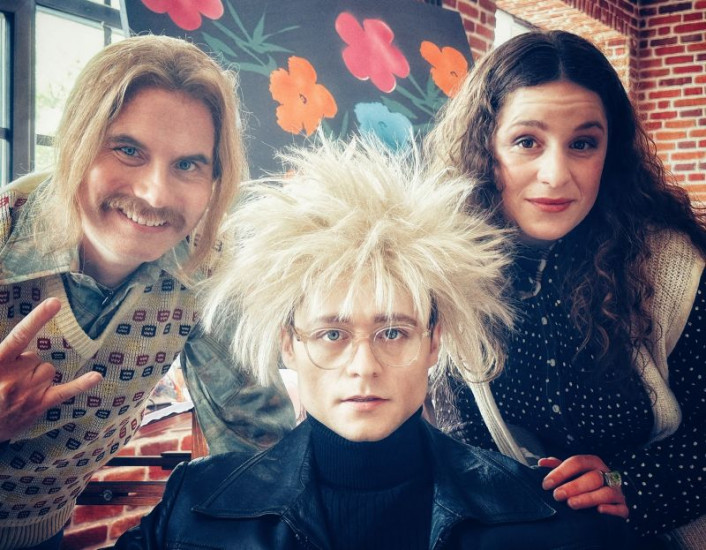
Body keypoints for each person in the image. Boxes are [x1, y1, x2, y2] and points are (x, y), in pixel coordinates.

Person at [114, 136, 629, 550]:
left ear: (434, 342)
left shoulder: (541, 517)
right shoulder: (193, 509)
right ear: (289, 345)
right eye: (332, 335)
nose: (364, 366)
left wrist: (626, 484)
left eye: (393, 333)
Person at [0, 35, 294, 550]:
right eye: (128, 150)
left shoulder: (208, 270)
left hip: (42, 529)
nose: (155, 194)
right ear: (77, 143)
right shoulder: (6, 232)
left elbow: (254, 441)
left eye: (188, 165)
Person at [424, 29, 706, 549]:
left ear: (609, 153)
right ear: (485, 149)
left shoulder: (670, 267)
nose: (555, 175)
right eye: (527, 142)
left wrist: (631, 483)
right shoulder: (439, 266)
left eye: (582, 143)